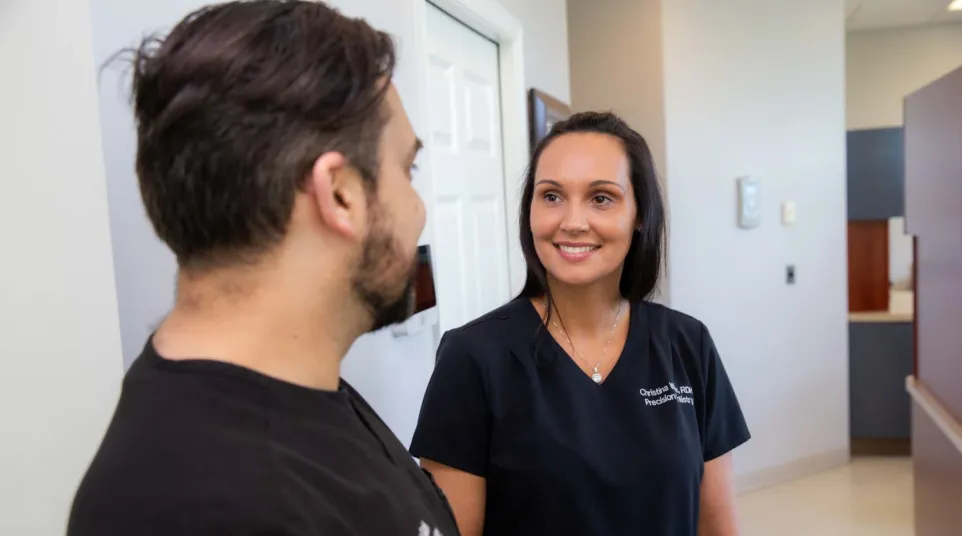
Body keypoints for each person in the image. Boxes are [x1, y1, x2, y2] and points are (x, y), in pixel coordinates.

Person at [67, 2, 457, 535]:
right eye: (407, 169)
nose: (419, 208)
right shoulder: (192, 509)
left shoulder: (301, 383)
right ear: (340, 194)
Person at [410, 112, 751, 536]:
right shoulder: (474, 357)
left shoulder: (687, 344)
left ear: (639, 214)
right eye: (551, 196)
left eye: (601, 198)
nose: (572, 222)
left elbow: (718, 527)